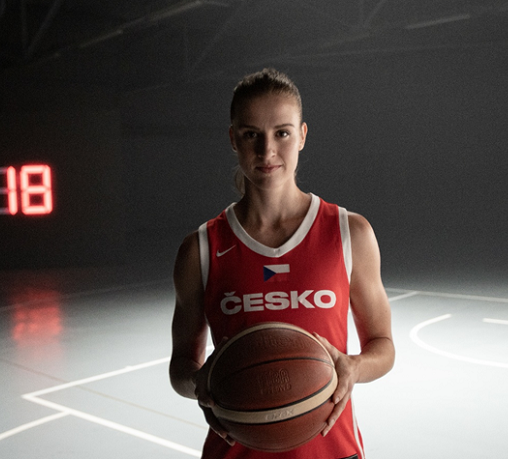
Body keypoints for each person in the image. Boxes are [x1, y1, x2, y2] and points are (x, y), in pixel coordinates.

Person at [169, 68, 395, 459]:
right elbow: (181, 367)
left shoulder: (349, 233)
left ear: (302, 135)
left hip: (332, 451)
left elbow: (383, 345)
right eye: (251, 134)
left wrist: (355, 367)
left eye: (282, 133)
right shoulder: (201, 249)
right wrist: (200, 383)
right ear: (233, 139)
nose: (267, 150)